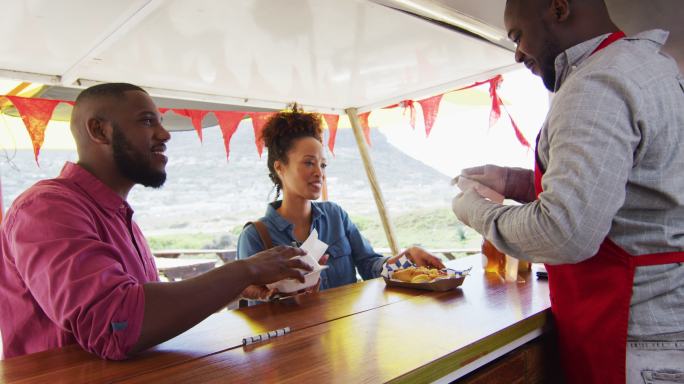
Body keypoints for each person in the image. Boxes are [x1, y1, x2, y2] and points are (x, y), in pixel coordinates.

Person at [451, 0, 684, 382]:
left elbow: (564, 231)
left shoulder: (595, 85)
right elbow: (615, 188)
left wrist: (474, 209)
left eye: (518, 35)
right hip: (662, 323)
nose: (517, 53)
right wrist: (511, 182)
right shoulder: (649, 66)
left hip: (630, 332)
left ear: (558, 9)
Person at [0, 83, 311, 360]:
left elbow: (146, 310)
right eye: (147, 121)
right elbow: (116, 325)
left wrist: (236, 287)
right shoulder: (46, 208)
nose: (165, 135)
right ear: (99, 131)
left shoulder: (119, 217)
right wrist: (246, 269)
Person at [237, 105, 444, 301]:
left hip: (347, 333)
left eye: (323, 165)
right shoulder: (255, 237)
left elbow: (370, 265)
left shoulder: (335, 216)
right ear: (280, 167)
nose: (319, 173)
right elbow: (254, 307)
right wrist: (277, 297)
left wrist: (407, 257)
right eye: (309, 162)